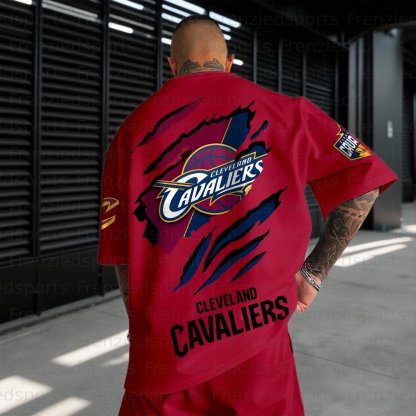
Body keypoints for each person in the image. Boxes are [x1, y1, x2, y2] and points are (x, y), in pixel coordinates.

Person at [97, 14, 398, 416]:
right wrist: (313, 274)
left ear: (172, 64)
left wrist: (142, 326)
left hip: (165, 356)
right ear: (229, 62)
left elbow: (122, 255)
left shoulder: (131, 134)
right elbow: (365, 181)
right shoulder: (289, 112)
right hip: (259, 349)